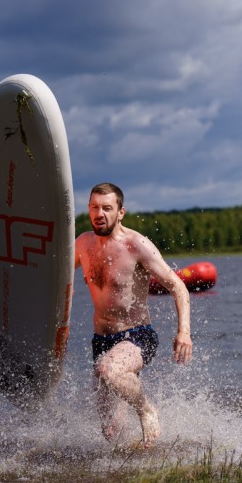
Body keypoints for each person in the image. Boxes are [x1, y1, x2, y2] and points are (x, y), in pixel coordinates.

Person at [74, 183, 193, 448]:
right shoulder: (82, 244)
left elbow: (178, 287)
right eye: (94, 207)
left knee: (110, 369)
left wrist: (183, 331)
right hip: (101, 341)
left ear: (121, 212)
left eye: (107, 208)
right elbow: (54, 277)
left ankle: (146, 410)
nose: (100, 214)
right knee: (110, 431)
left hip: (136, 336)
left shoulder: (136, 244)